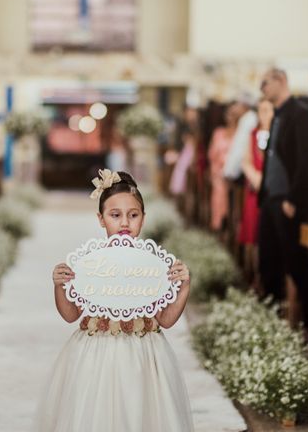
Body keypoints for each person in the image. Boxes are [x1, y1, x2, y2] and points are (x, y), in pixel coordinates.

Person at [37, 170, 194, 432]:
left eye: (133, 215)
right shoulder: (89, 264)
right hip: (96, 354)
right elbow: (70, 315)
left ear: (143, 219)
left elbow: (165, 319)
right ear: (101, 219)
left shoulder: (152, 266)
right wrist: (60, 287)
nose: (124, 223)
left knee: (141, 415)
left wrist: (183, 287)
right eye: (115, 215)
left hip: (144, 354)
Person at [257, 68, 308, 334]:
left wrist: (293, 197)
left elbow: (306, 160)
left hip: (288, 201)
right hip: (272, 198)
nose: (262, 88)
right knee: (268, 261)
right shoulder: (277, 116)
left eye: (265, 83)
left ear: (281, 81)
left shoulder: (300, 115)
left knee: (296, 262)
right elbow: (272, 158)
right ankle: (270, 319)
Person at [239, 98, 273, 289]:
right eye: (262, 110)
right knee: (253, 234)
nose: (265, 114)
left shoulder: (279, 134)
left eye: (269, 110)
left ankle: (267, 277)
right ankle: (254, 276)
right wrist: (257, 179)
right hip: (256, 190)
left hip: (272, 192)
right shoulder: (253, 134)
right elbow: (246, 161)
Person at [208, 102, 241, 230]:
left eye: (234, 114)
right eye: (229, 114)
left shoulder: (241, 134)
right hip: (219, 172)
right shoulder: (218, 132)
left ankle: (233, 223)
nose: (231, 117)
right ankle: (220, 222)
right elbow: (212, 155)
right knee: (220, 188)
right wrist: (218, 171)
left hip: (236, 173)